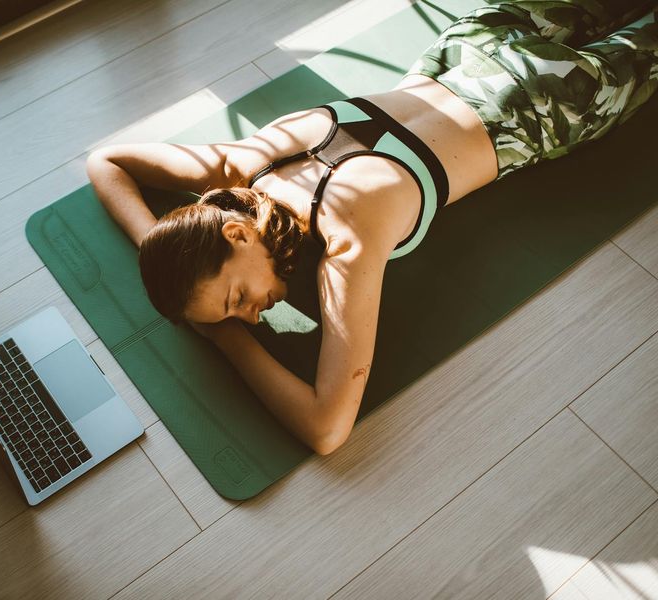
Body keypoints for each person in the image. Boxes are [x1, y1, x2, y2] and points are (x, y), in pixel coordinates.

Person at [87, 0, 658, 455]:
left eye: (237, 297)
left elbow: (327, 429)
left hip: (541, 98)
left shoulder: (347, 238)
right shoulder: (243, 159)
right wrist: (161, 251)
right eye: (237, 314)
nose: (251, 315)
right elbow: (107, 161)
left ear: (236, 235)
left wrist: (225, 338)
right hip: (467, 47)